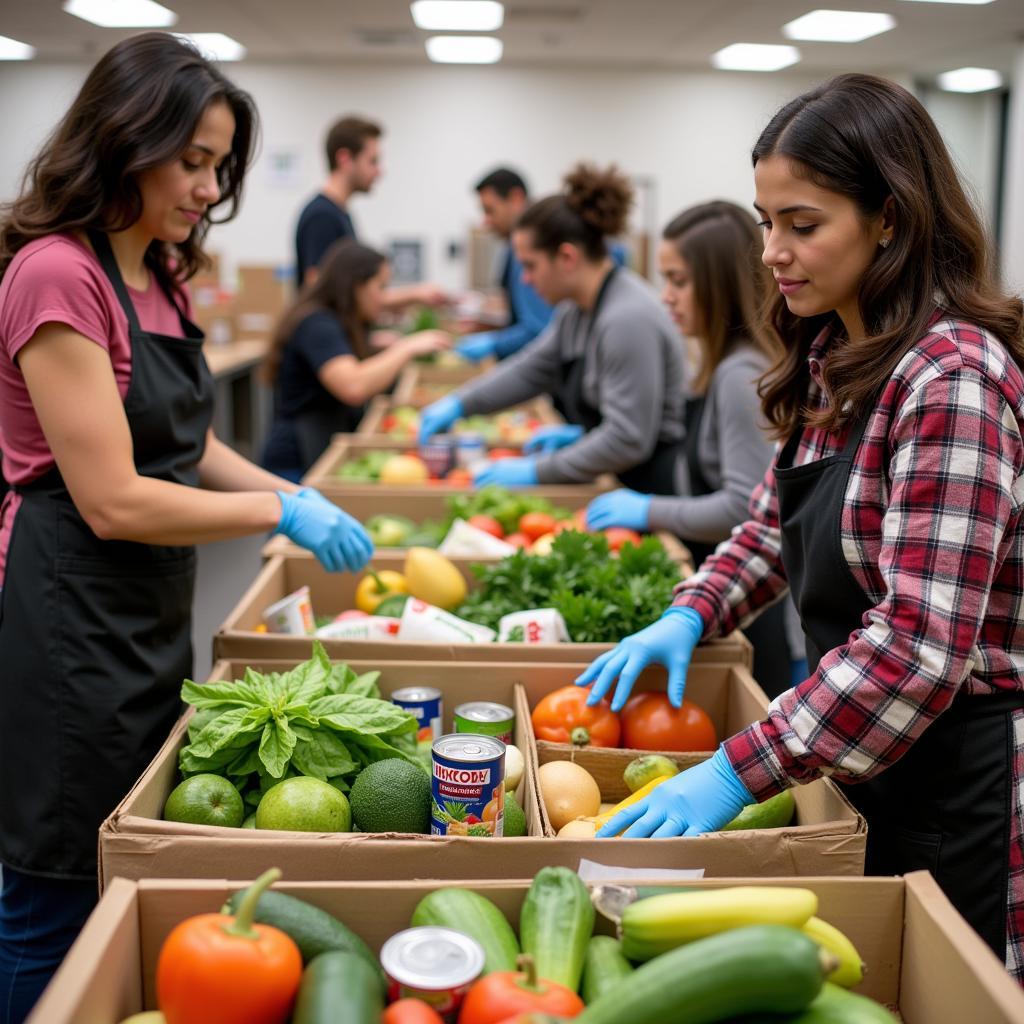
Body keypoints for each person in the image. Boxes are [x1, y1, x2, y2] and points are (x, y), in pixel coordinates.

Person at [576, 73, 1024, 978]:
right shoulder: (841, 354)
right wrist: (694, 610)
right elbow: (775, 527)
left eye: (803, 224)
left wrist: (740, 768)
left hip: (958, 774)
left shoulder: (952, 381)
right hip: (866, 751)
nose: (773, 252)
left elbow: (916, 646)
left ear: (890, 218)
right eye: (765, 221)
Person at [0, 33, 373, 1018]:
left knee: (128, 850)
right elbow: (114, 496)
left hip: (145, 599)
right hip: (69, 608)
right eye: (193, 160)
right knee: (55, 877)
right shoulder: (57, 274)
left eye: (221, 166)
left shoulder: (155, 271)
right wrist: (278, 506)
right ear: (126, 141)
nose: (210, 188)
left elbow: (189, 444)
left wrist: (293, 491)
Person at [585, 201, 796, 697]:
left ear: (720, 282)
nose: (666, 297)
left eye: (679, 280)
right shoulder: (724, 364)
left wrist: (649, 509)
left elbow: (746, 508)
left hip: (750, 615)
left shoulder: (738, 375)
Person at [419, 163, 686, 491]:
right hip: (620, 476)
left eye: (530, 266)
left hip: (654, 485)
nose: (526, 280)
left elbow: (628, 439)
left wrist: (536, 471)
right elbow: (531, 369)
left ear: (567, 257)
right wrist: (461, 403)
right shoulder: (576, 312)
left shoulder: (626, 318)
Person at [261, 238, 452, 481]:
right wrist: (406, 348)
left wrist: (373, 345)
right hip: (296, 460)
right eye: (380, 287)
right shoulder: (317, 324)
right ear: (355, 286)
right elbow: (353, 386)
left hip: (317, 445)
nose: (384, 298)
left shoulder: (332, 320)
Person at [294, 115, 446, 310]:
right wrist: (413, 294)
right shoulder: (322, 217)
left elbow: (350, 292)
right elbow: (321, 292)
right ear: (345, 159)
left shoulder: (340, 214)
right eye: (373, 161)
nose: (379, 171)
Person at [455, 167, 554, 363]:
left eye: (490, 210)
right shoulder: (514, 246)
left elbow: (538, 330)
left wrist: (495, 343)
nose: (486, 221)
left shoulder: (530, 250)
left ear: (516, 198)